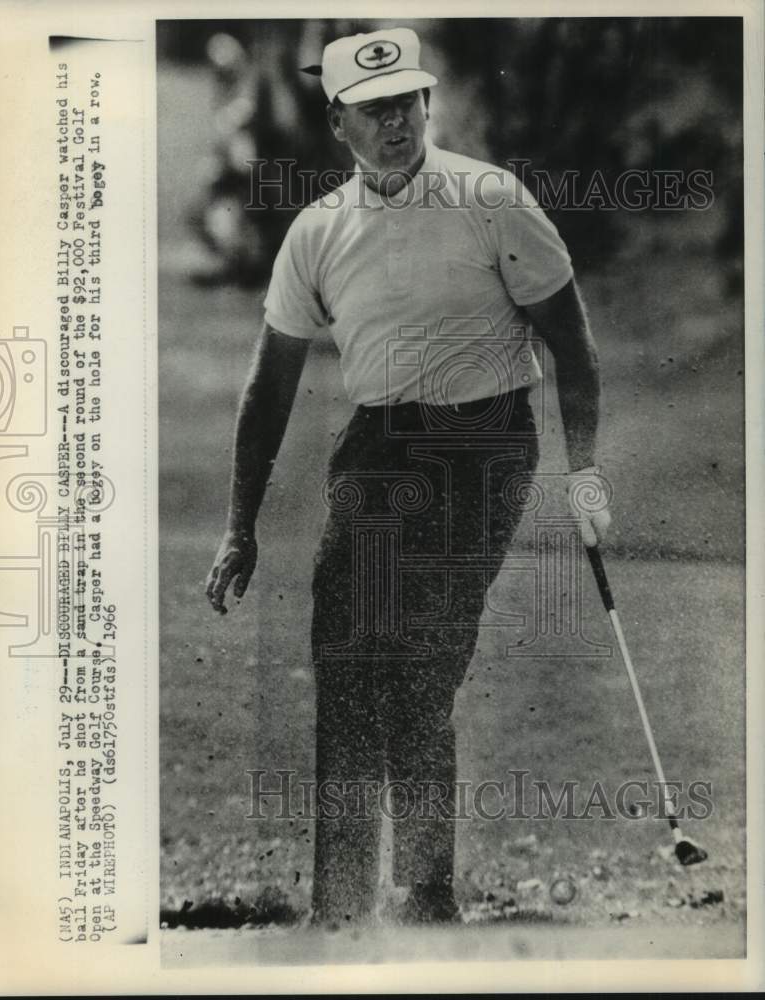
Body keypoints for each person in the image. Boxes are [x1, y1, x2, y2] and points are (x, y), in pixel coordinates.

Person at [206, 26, 611, 927]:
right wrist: (241, 525)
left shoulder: (491, 200)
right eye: (374, 109)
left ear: (427, 103)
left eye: (407, 103)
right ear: (338, 121)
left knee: (420, 664)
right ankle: (343, 902)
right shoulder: (317, 232)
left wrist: (584, 474)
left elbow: (573, 350)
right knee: (347, 653)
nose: (396, 123)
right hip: (379, 446)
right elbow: (267, 388)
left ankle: (426, 898)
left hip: (486, 444)